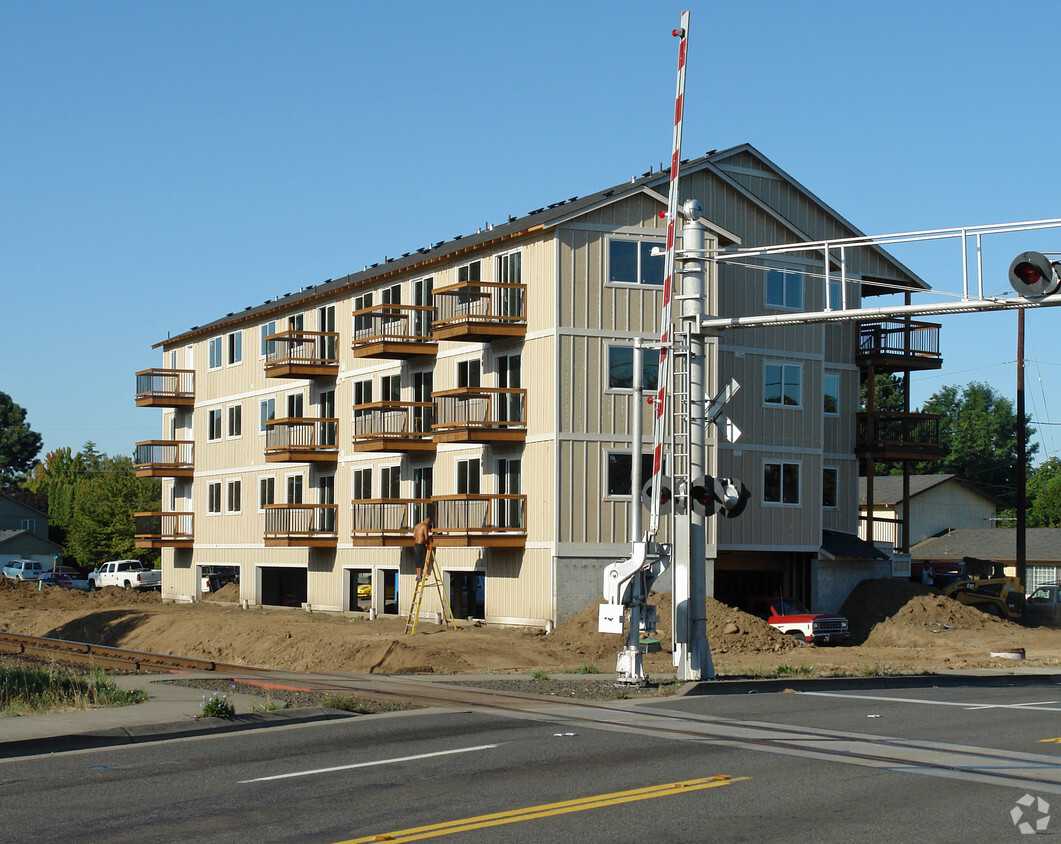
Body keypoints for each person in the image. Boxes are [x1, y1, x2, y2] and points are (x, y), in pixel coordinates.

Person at [413, 516, 432, 581]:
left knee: (417, 560)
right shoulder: (425, 526)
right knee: (421, 561)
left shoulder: (417, 526)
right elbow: (426, 538)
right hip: (421, 544)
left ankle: (418, 576)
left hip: (416, 544)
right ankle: (420, 576)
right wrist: (429, 540)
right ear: (429, 523)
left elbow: (414, 535)